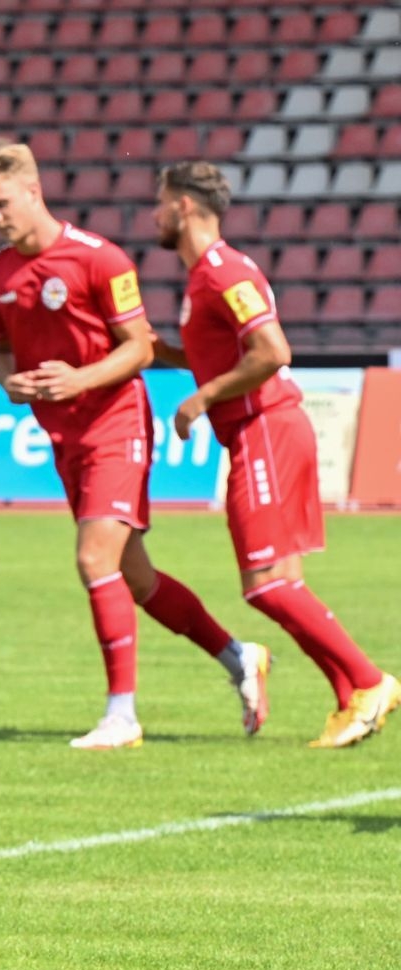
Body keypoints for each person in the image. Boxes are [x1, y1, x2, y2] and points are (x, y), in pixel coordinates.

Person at [0, 138, 267, 750]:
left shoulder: (100, 259)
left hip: (116, 424)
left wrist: (79, 378)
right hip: (64, 435)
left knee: (94, 560)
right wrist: (8, 381)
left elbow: (140, 347)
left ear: (33, 192)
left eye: (1, 204)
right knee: (136, 577)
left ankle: (121, 715)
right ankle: (238, 656)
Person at [149, 161, 398, 747]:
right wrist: (157, 350)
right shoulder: (205, 277)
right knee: (282, 581)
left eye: (160, 203)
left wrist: (200, 399)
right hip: (263, 429)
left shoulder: (223, 271)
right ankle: (349, 697)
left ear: (184, 205)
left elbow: (273, 351)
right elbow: (222, 355)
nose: (154, 215)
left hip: (265, 428)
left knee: (265, 584)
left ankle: (369, 681)